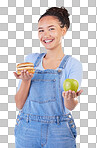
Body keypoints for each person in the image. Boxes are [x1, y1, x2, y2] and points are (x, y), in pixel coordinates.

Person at [13, 6, 83, 148]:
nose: (46, 35)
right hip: (27, 128)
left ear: (63, 30)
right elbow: (19, 104)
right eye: (41, 30)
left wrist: (71, 98)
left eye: (51, 29)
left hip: (59, 130)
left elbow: (70, 105)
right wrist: (25, 81)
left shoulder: (72, 64)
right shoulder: (31, 60)